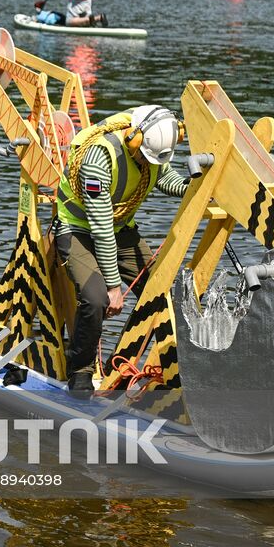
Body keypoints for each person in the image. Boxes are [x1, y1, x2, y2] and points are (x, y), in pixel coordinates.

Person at [54, 106, 190, 398]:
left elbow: (165, 177)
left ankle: (137, 363)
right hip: (78, 229)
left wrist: (194, 186)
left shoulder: (152, 149)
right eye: (144, 156)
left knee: (162, 291)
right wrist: (114, 287)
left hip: (120, 228)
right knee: (95, 299)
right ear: (133, 139)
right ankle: (80, 372)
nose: (146, 163)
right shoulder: (98, 160)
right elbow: (101, 227)